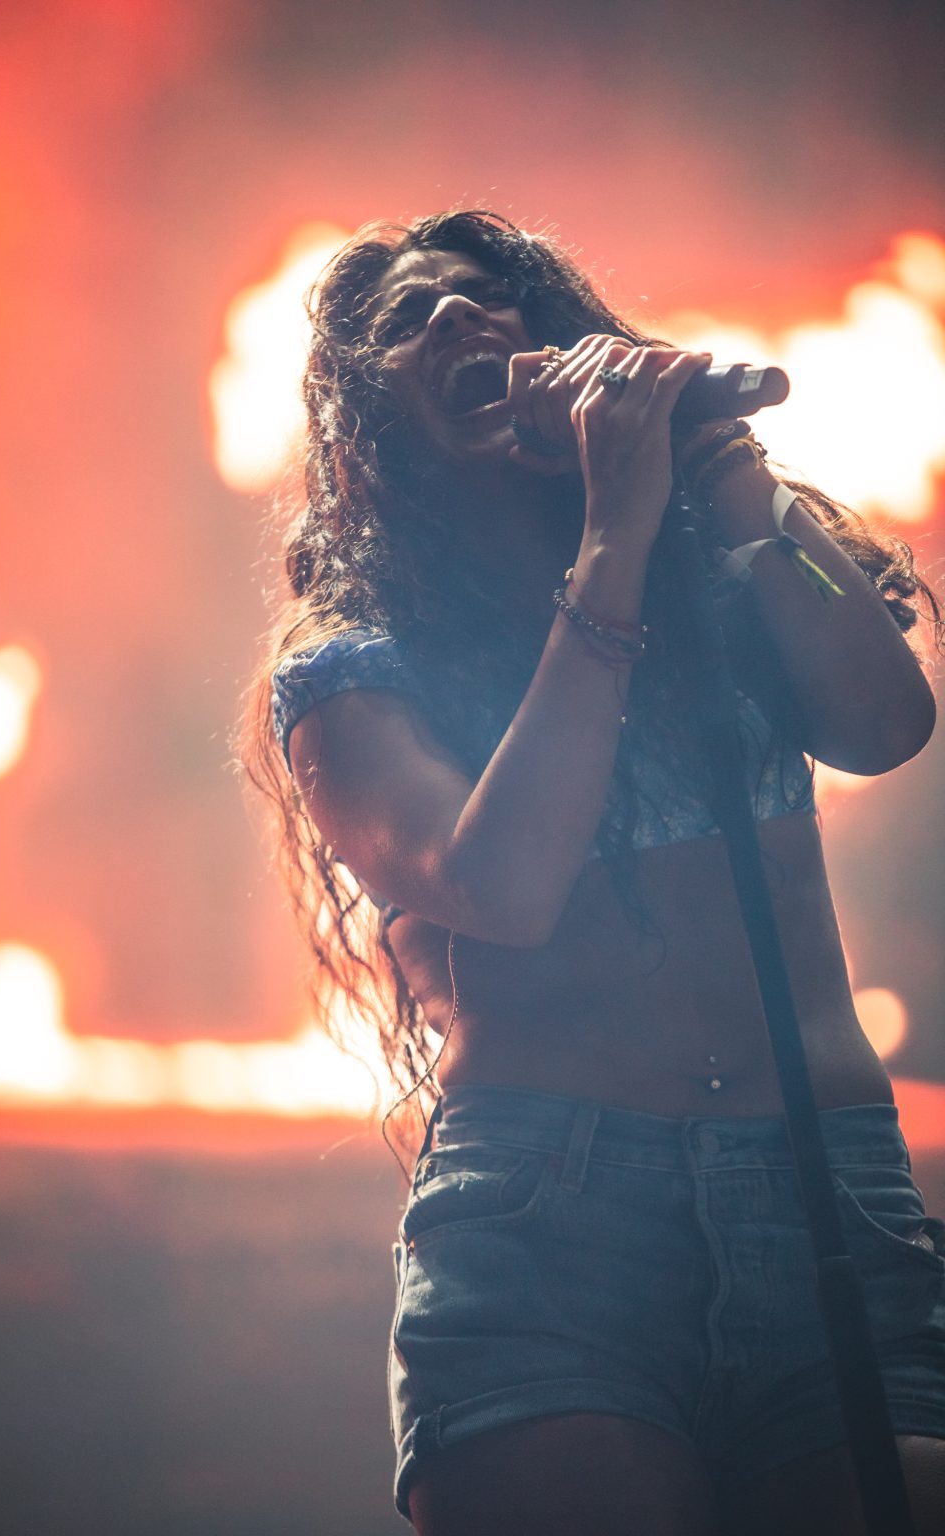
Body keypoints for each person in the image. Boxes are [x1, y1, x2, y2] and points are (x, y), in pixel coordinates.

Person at [241, 210, 945, 1535]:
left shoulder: (720, 572)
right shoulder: (354, 665)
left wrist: (718, 456)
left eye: (487, 295)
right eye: (406, 320)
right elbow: (501, 885)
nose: (460, 316)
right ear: (368, 432)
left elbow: (885, 721)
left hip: (823, 1186)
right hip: (553, 1223)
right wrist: (611, 537)